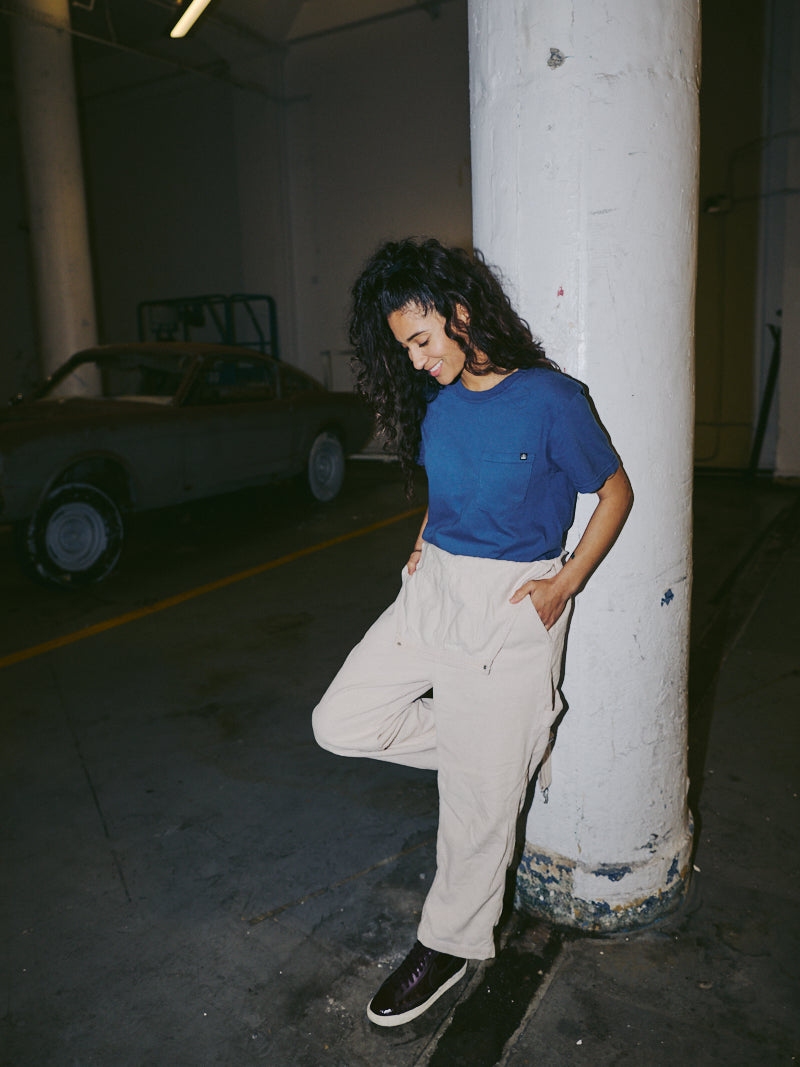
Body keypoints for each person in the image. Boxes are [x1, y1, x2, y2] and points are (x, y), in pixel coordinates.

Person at [312, 237, 632, 1028]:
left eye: (421, 339)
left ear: (460, 312)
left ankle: (449, 942)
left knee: (476, 811)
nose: (417, 359)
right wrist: (423, 540)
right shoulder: (440, 402)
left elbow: (617, 491)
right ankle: (510, 744)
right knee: (341, 719)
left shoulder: (553, 398)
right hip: (433, 587)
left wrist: (564, 583)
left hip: (508, 605)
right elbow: (449, 486)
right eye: (404, 348)